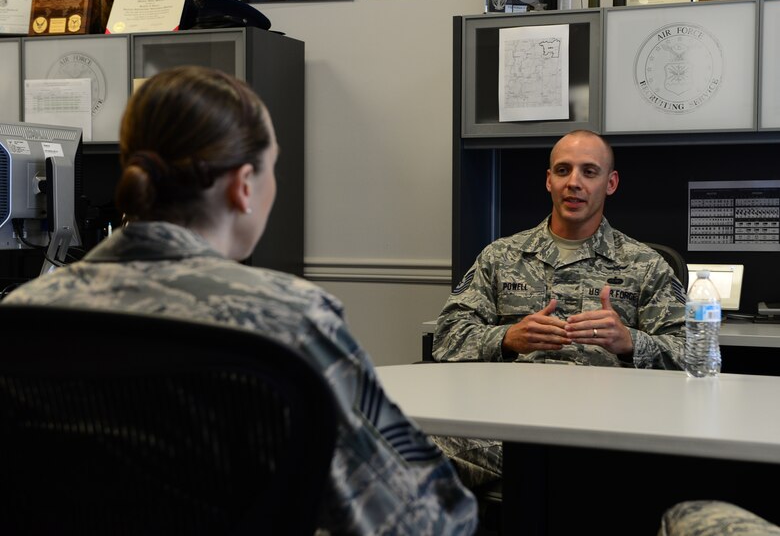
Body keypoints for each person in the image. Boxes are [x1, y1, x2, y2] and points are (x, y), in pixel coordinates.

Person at [2, 66, 478, 535]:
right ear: (244, 185)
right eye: (274, 167)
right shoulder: (290, 320)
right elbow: (422, 518)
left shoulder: (21, 317)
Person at [430, 129, 686, 489]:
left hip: (608, 434)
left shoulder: (645, 265)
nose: (574, 183)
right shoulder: (501, 257)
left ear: (610, 183)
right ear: (549, 181)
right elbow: (446, 337)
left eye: (589, 172)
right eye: (563, 171)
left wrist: (631, 342)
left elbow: (695, 356)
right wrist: (507, 337)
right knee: (403, 443)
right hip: (511, 432)